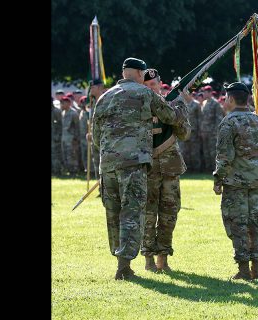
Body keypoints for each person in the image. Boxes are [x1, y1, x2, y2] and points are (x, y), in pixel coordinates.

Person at [92, 57, 187, 280]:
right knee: (132, 212)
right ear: (140, 73)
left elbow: (96, 136)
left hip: (107, 164)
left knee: (113, 214)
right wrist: (180, 103)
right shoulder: (145, 94)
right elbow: (170, 116)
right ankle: (124, 266)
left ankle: (119, 260)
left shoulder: (104, 97)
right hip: (133, 163)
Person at [213, 82, 258, 280]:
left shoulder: (229, 122)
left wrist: (218, 179)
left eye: (225, 98)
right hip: (257, 182)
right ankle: (256, 268)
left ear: (230, 99)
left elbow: (224, 156)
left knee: (237, 224)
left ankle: (243, 269)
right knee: (255, 224)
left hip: (236, 183)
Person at [140, 68, 191, 272]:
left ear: (160, 84)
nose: (151, 89)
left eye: (154, 85)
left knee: (169, 213)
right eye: (147, 86)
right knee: (148, 214)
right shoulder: (138, 108)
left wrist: (174, 116)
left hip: (170, 166)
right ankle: (148, 259)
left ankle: (163, 258)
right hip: (147, 167)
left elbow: (185, 133)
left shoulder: (174, 104)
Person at [200, 85, 225, 173]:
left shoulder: (216, 103)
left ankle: (215, 169)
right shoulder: (204, 103)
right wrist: (202, 130)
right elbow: (203, 118)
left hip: (212, 132)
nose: (204, 93)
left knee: (213, 152)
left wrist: (215, 132)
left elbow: (218, 119)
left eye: (206, 92)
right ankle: (207, 168)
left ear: (210, 92)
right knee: (206, 151)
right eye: (203, 92)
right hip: (205, 132)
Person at [60, 96, 80, 176]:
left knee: (72, 155)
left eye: (63, 103)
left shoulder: (73, 113)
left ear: (68, 103)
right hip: (64, 138)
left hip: (71, 139)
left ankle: (74, 171)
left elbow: (77, 127)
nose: (61, 105)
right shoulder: (63, 113)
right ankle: (68, 170)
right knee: (65, 155)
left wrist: (76, 138)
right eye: (61, 103)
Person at [52, 97, 63, 175]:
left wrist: (58, 136)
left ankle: (57, 171)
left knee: (56, 154)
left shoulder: (57, 111)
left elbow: (61, 125)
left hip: (55, 137)